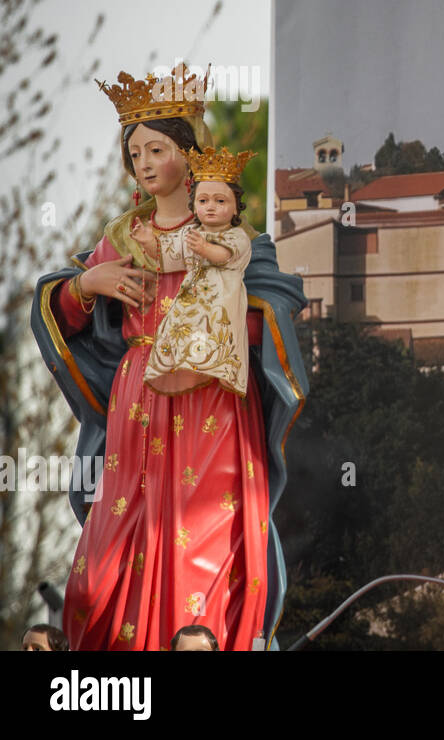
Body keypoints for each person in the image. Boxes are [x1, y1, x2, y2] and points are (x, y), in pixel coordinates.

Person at [29, 63, 308, 651]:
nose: (146, 163)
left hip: (212, 398)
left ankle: (201, 638)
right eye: (135, 154)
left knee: (201, 529)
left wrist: (229, 304)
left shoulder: (240, 240)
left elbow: (276, 306)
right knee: (112, 544)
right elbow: (63, 310)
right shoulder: (121, 238)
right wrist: (87, 285)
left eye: (158, 148)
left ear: (190, 150)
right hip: (137, 400)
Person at [139, 146, 256, 398]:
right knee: (180, 332)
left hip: (220, 306)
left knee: (215, 338)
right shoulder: (189, 234)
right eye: (203, 201)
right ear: (194, 205)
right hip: (190, 302)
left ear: (236, 208)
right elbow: (166, 256)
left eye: (220, 201)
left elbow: (223, 256)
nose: (210, 207)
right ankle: (180, 363)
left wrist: (204, 247)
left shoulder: (237, 237)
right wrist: (148, 241)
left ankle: (214, 367)